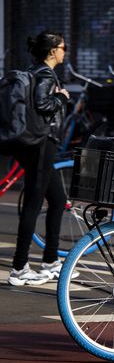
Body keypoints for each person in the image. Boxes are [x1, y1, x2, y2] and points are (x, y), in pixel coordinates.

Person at [7, 30, 71, 286]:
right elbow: (43, 105)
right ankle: (19, 267)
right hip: (41, 144)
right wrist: (61, 97)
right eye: (63, 47)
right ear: (53, 51)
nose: (65, 52)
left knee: (58, 199)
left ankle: (50, 261)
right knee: (33, 203)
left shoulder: (33, 71)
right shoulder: (45, 74)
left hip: (34, 144)